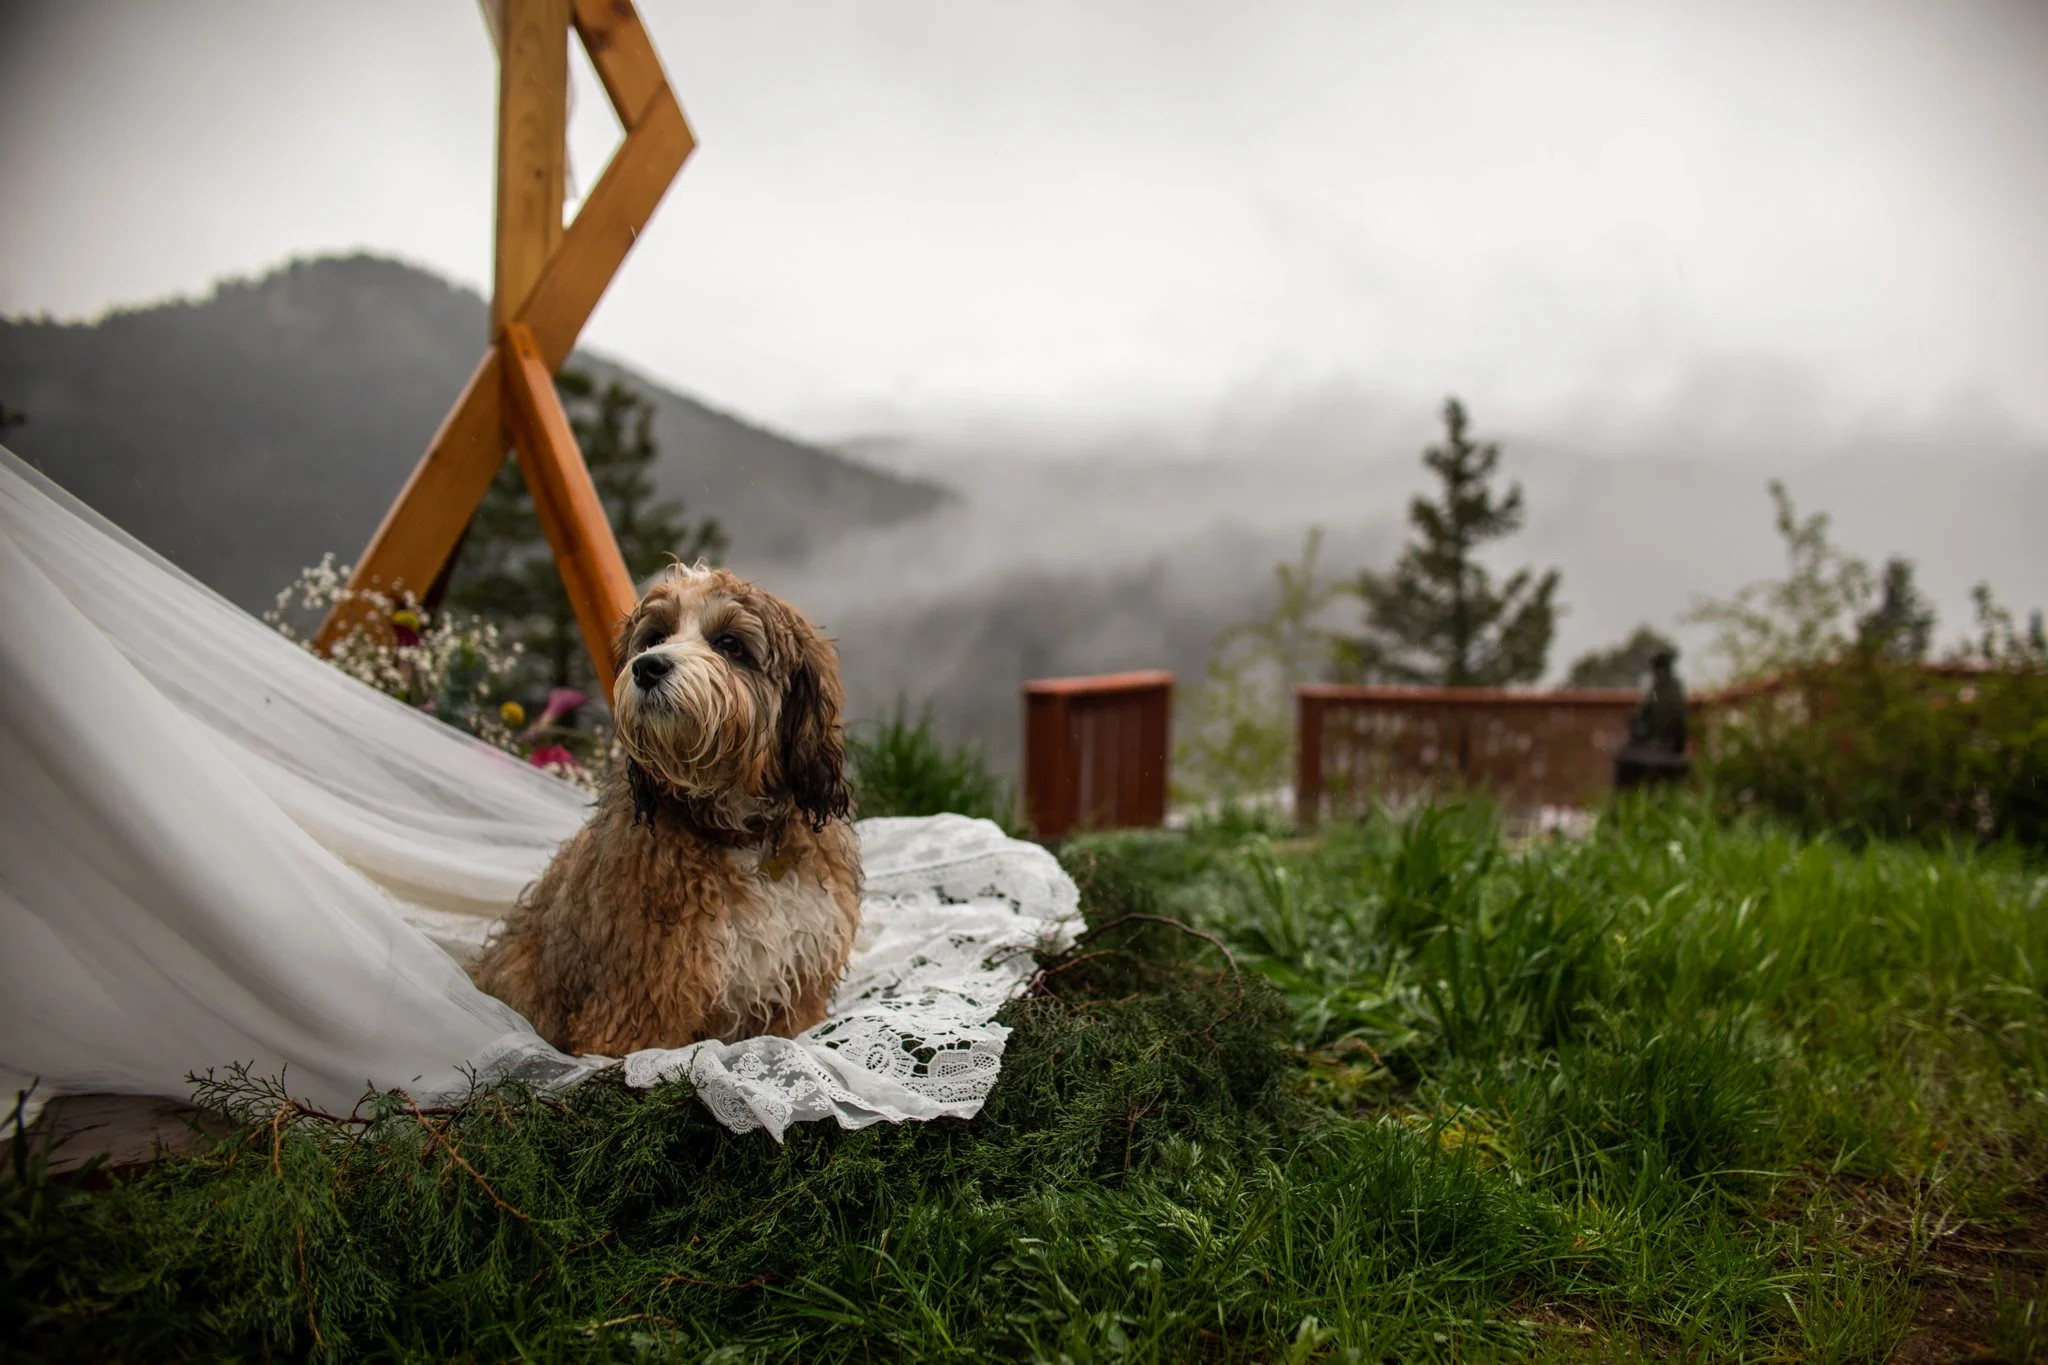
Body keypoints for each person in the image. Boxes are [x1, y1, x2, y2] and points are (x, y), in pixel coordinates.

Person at [1612, 647, 1690, 790]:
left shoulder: (1662, 689)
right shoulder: (1670, 688)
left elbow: (1641, 717)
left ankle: (1619, 807)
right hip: (1667, 748)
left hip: (1659, 750)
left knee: (1625, 765)